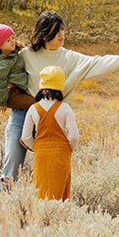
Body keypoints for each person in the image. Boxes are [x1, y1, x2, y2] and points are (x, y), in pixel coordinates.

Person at [0, 9, 119, 191]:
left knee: (48, 169)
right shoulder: (26, 55)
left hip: (52, 119)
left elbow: (100, 61)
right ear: (44, 34)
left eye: (62, 30)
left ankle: (43, 207)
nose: (61, 34)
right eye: (56, 30)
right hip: (23, 114)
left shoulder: (71, 58)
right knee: (12, 164)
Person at [0, 23, 34, 192]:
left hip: (21, 96)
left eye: (12, 38)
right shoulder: (2, 63)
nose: (12, 42)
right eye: (8, 40)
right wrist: (2, 102)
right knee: (36, 104)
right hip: (15, 98)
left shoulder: (17, 52)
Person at [21, 67, 79, 200]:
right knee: (60, 191)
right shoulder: (65, 108)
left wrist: (37, 147)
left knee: (41, 189)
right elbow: (74, 136)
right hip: (61, 153)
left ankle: (42, 217)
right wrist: (69, 149)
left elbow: (26, 137)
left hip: (41, 153)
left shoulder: (33, 109)